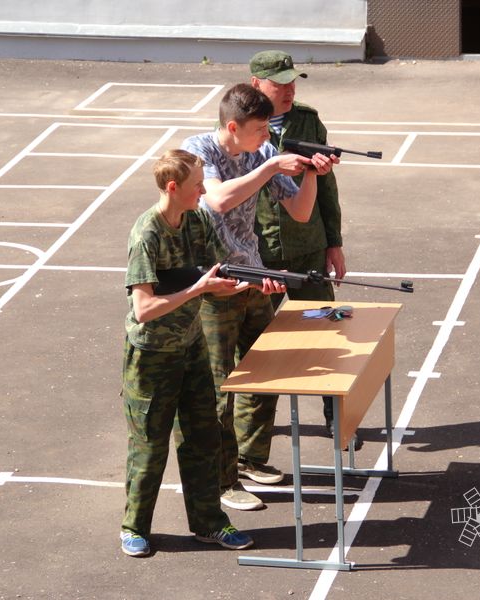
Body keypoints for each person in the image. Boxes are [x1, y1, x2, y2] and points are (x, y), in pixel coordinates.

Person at [182, 84, 338, 511]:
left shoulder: (263, 152)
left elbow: (301, 212)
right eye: (258, 131)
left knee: (263, 371)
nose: (267, 138)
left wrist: (310, 172)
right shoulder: (199, 150)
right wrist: (271, 170)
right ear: (232, 126)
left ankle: (250, 458)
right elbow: (216, 201)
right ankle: (222, 479)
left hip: (252, 274)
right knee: (219, 386)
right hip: (213, 283)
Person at [119, 149, 259, 557]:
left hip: (191, 347)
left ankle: (209, 522)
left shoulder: (196, 220)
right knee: (150, 445)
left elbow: (222, 272)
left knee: (204, 438)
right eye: (197, 183)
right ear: (173, 187)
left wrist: (254, 283)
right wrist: (199, 290)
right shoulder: (147, 233)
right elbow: (144, 309)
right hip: (152, 357)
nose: (203, 188)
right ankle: (134, 527)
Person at [249, 50, 349, 441]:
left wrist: (334, 243)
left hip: (307, 246)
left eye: (293, 82)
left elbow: (326, 185)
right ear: (256, 84)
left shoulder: (307, 119)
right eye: (280, 83)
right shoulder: (238, 123)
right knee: (258, 349)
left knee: (327, 332)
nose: (289, 90)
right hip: (261, 255)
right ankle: (253, 441)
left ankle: (338, 420)